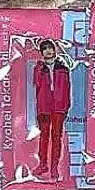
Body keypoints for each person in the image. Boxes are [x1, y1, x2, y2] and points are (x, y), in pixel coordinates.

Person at [32, 39, 71, 181]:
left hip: (59, 107)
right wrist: (39, 67)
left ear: (55, 50)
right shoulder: (39, 68)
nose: (48, 51)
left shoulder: (63, 68)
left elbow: (67, 88)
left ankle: (54, 167)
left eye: (50, 48)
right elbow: (36, 83)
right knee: (44, 137)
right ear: (41, 52)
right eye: (45, 49)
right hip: (44, 107)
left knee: (56, 137)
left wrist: (66, 106)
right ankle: (43, 164)